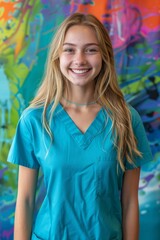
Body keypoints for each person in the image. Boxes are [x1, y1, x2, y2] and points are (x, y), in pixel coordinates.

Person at [7, 12, 152, 240]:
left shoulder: (125, 119)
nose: (80, 59)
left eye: (91, 49)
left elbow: (130, 201)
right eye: (69, 49)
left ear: (104, 56)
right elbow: (25, 200)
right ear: (57, 56)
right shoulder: (35, 119)